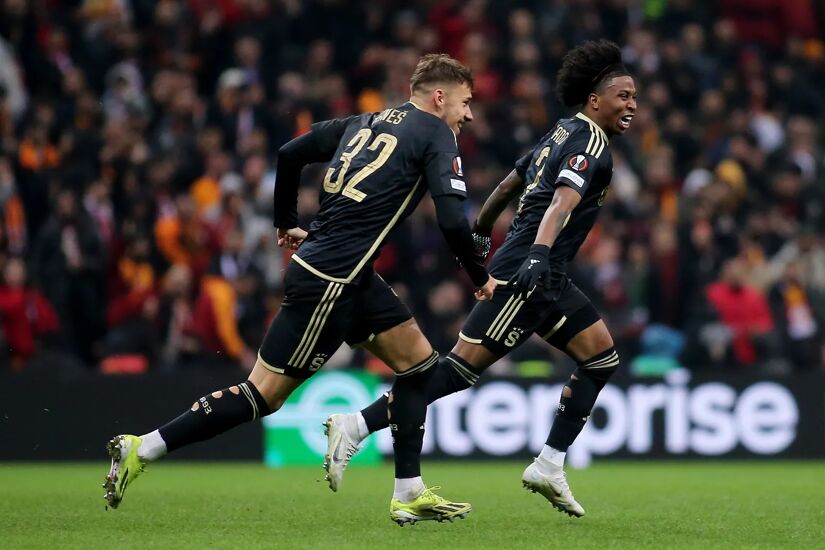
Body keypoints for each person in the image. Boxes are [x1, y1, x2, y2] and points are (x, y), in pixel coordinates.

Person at [103, 54, 497, 526]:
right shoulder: (437, 133)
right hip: (332, 280)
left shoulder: (364, 122)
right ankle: (142, 447)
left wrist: (285, 223)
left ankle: (405, 487)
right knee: (263, 395)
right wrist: (480, 276)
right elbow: (454, 220)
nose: (468, 114)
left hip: (346, 272)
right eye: (465, 102)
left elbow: (289, 153)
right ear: (440, 96)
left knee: (419, 365)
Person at [323, 40, 636, 518]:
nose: (631, 105)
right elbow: (560, 205)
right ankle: (357, 426)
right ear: (595, 100)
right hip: (530, 272)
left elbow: (510, 183)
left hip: (544, 272)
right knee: (456, 371)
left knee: (601, 358)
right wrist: (532, 254)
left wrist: (482, 232)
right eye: (623, 96)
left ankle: (550, 464)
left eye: (634, 97)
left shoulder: (561, 132)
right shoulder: (590, 142)